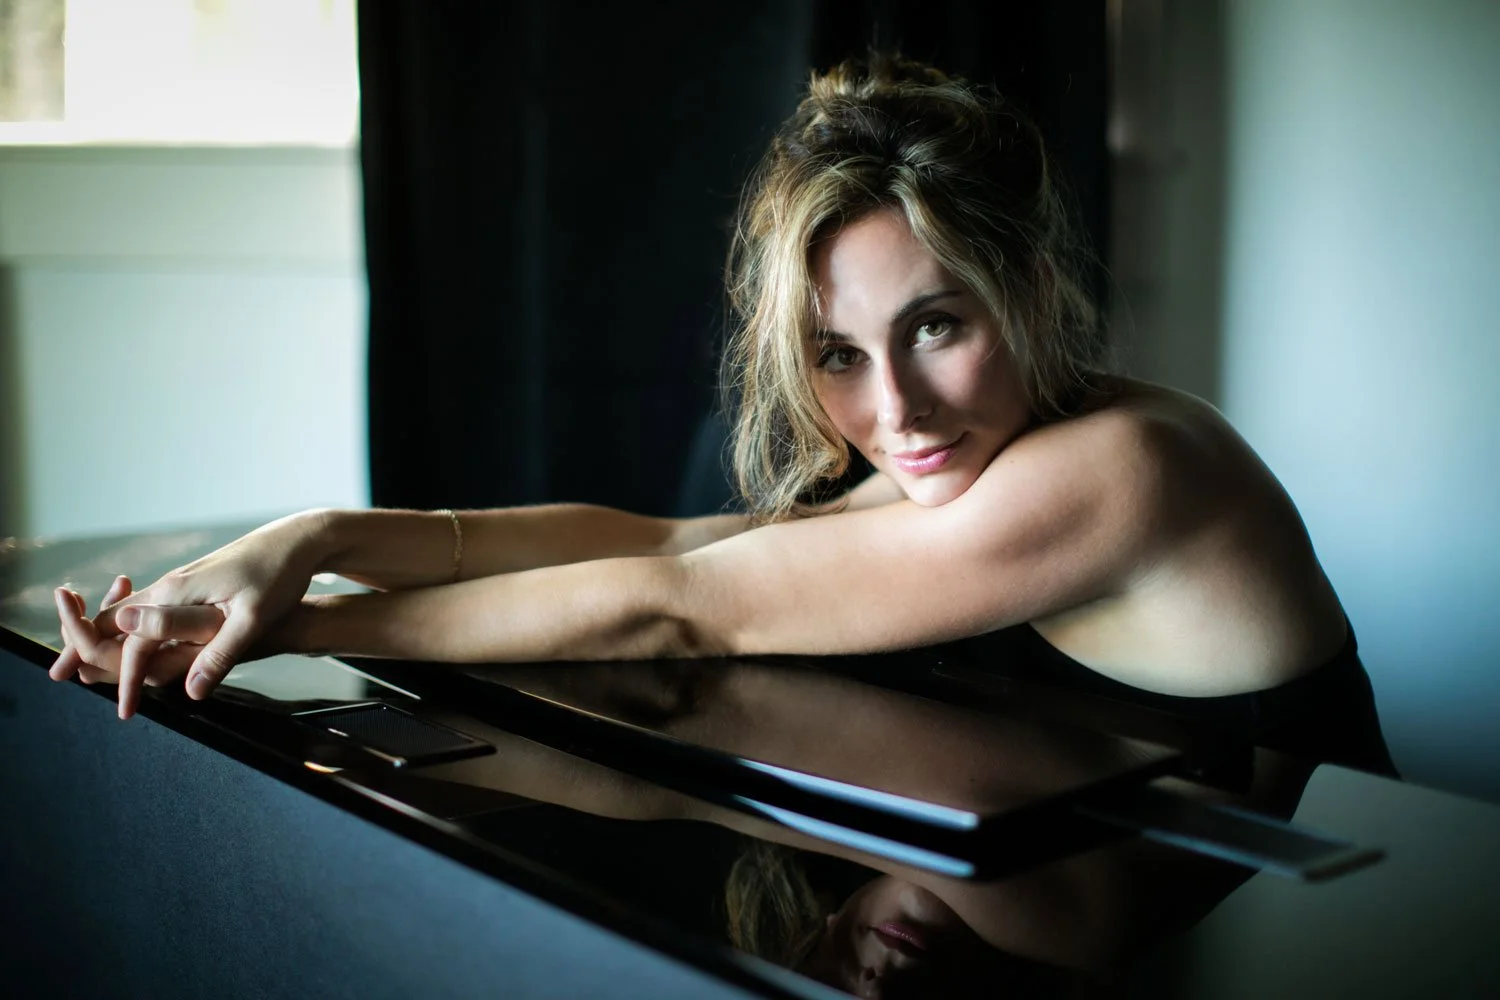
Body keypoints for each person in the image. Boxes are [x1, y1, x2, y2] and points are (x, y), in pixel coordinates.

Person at [50, 52, 1356, 728]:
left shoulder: (1122, 468)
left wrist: (276, 637)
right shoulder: (977, 450)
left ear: (1029, 290)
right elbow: (665, 544)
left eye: (938, 325)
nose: (893, 410)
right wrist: (303, 543)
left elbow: (679, 611)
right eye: (839, 355)